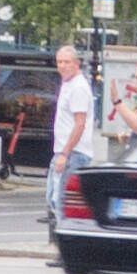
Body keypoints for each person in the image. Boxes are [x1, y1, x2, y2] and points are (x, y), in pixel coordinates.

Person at [47, 40, 98, 191]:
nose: (62, 66)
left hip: (73, 153)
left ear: (76, 63)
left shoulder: (78, 88)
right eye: (59, 62)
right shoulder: (68, 83)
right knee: (53, 200)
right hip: (64, 151)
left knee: (61, 201)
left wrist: (64, 154)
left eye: (67, 62)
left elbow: (80, 123)